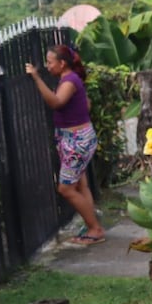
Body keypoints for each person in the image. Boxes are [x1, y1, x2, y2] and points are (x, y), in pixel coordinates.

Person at [24, 44, 105, 245]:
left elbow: (56, 103)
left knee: (66, 189)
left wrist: (36, 78)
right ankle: (91, 224)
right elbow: (86, 104)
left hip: (76, 142)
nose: (47, 66)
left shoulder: (69, 81)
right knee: (80, 184)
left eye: (50, 62)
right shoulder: (70, 79)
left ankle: (95, 229)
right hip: (76, 139)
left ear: (62, 63)